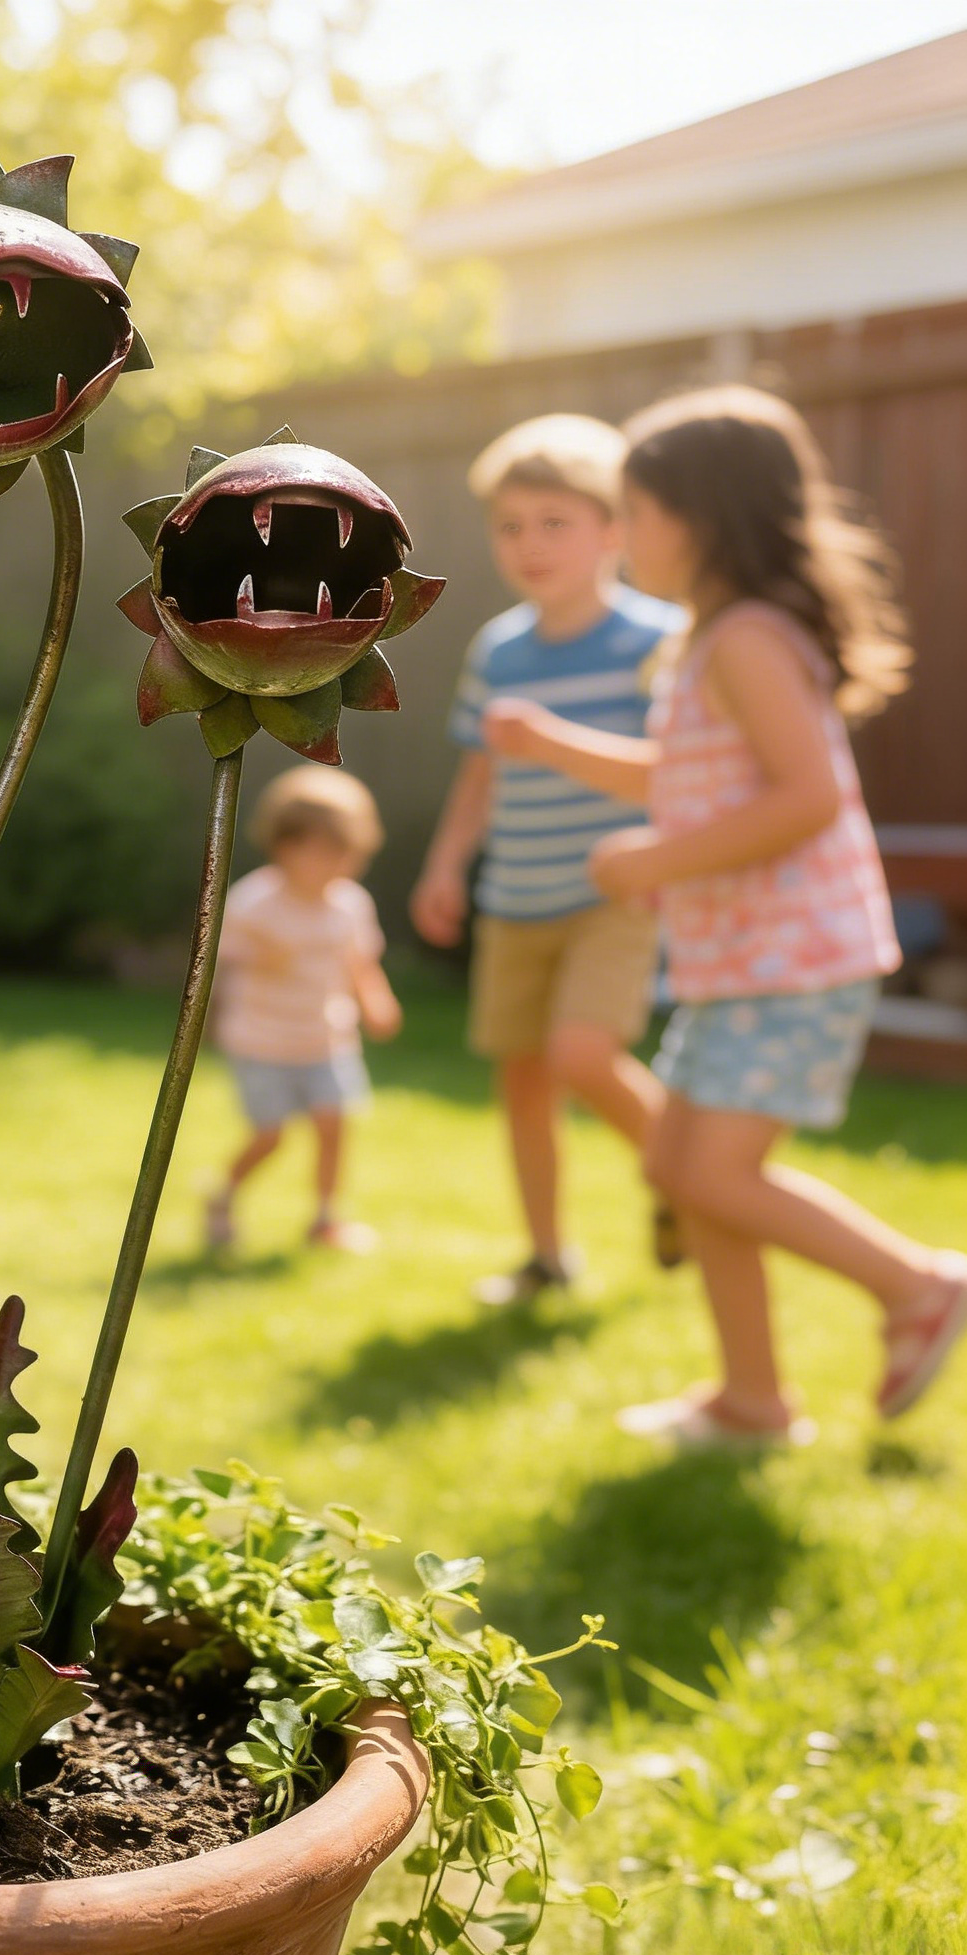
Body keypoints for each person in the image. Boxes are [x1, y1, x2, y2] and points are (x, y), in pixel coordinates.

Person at [485, 385, 967, 1445]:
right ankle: (750, 1399)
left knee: (706, 1169)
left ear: (701, 515)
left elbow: (802, 797)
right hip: (738, 957)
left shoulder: (747, 636)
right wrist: (557, 744)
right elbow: (691, 773)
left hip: (792, 958)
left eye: (636, 509)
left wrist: (658, 857)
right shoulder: (712, 637)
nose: (624, 532)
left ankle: (917, 1282)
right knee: (680, 1168)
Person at [412, 415, 685, 1306]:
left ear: (614, 530)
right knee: (525, 1083)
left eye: (555, 523)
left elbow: (681, 779)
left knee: (581, 1054)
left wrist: (554, 741)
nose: (529, 544)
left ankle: (686, 1173)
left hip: (615, 893)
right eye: (512, 526)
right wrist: (448, 865)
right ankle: (547, 1257)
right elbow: (479, 773)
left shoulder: (660, 642)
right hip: (515, 897)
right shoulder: (500, 649)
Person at [204, 764, 400, 1256]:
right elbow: (215, 959)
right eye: (331, 852)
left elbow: (359, 963)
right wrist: (257, 958)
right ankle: (222, 1195)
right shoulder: (256, 901)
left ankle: (326, 1218)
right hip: (262, 1040)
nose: (344, 865)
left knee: (334, 1125)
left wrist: (375, 1001)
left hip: (325, 1038)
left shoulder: (349, 905)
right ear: (287, 845)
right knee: (270, 1136)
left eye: (352, 853)